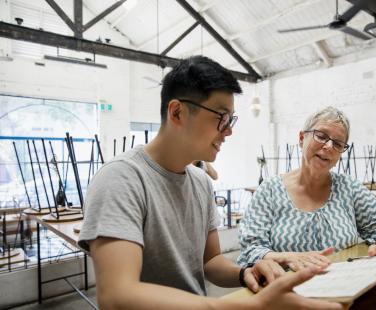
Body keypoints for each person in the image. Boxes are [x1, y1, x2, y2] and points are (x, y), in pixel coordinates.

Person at [78, 56, 342, 310]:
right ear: (178, 112)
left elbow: (210, 261)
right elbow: (117, 297)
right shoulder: (121, 179)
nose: (228, 130)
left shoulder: (200, 182)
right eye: (221, 117)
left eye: (230, 120)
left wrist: (246, 273)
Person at [238, 106, 376, 271]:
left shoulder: (348, 188)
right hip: (285, 291)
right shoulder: (270, 190)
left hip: (343, 289)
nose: (328, 146)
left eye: (338, 144)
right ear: (301, 138)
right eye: (321, 136)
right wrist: (288, 257)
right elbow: (251, 250)